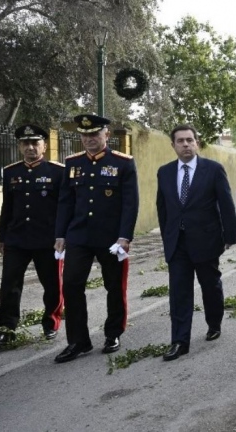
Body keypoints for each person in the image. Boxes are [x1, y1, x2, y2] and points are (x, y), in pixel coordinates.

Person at [54, 114, 139, 363]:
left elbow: (130, 203)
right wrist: (60, 234)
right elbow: (65, 201)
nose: (90, 139)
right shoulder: (72, 163)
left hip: (111, 238)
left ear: (107, 135)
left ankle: (113, 333)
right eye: (85, 135)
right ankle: (79, 341)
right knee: (71, 285)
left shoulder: (123, 163)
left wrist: (125, 236)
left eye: (95, 134)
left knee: (114, 285)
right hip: (78, 235)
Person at [156, 124, 236, 361]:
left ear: (197, 143)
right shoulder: (165, 172)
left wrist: (229, 236)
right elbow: (163, 208)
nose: (185, 145)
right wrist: (167, 237)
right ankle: (180, 341)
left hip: (206, 240)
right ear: (173, 146)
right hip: (177, 243)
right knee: (179, 292)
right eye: (180, 141)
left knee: (210, 285)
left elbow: (226, 204)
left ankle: (214, 322)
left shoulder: (212, 170)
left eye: (190, 140)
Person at [0, 125, 64, 346]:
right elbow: (7, 206)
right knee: (9, 286)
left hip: (47, 240)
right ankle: (5, 328)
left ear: (45, 145)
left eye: (35, 143)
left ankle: (50, 323)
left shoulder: (57, 171)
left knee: (51, 284)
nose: (30, 147)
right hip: (17, 238)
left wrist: (62, 236)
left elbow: (64, 208)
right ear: (19, 145)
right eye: (25, 143)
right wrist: (2, 236)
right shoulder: (11, 172)